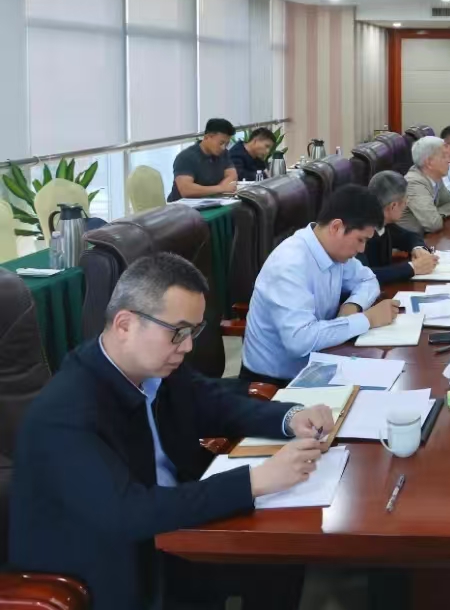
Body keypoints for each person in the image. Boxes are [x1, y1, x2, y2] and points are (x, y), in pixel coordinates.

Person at [8, 253, 335, 609]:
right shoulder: (65, 412)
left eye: (194, 331)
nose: (188, 346)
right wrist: (255, 480)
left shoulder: (155, 369)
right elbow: (127, 512)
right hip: (113, 567)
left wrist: (290, 417)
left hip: (171, 527)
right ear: (124, 324)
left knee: (281, 557)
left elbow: (216, 404)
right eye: (178, 332)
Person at [242, 185, 399, 387]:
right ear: (336, 227)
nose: (362, 249)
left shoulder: (332, 251)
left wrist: (353, 306)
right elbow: (300, 341)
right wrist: (367, 319)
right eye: (360, 240)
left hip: (321, 362)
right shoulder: (290, 265)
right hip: (276, 384)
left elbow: (368, 280)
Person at [360, 170, 440, 283]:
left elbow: (409, 236)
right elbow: (363, 276)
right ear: (393, 206)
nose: (406, 204)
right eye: (405, 201)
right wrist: (413, 268)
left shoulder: (384, 222)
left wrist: (418, 249)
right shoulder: (359, 231)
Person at [399, 135, 450, 235]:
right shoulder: (414, 183)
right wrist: (437, 215)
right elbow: (433, 224)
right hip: (406, 242)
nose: (449, 160)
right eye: (444, 156)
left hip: (425, 237)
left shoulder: (436, 177)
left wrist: (437, 213)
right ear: (429, 162)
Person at [168, 117, 238, 201]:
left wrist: (223, 187)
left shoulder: (223, 153)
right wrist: (221, 188)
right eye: (221, 143)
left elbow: (232, 175)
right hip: (183, 205)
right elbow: (186, 190)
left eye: (226, 144)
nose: (223, 147)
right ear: (207, 137)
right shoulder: (186, 157)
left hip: (211, 201)